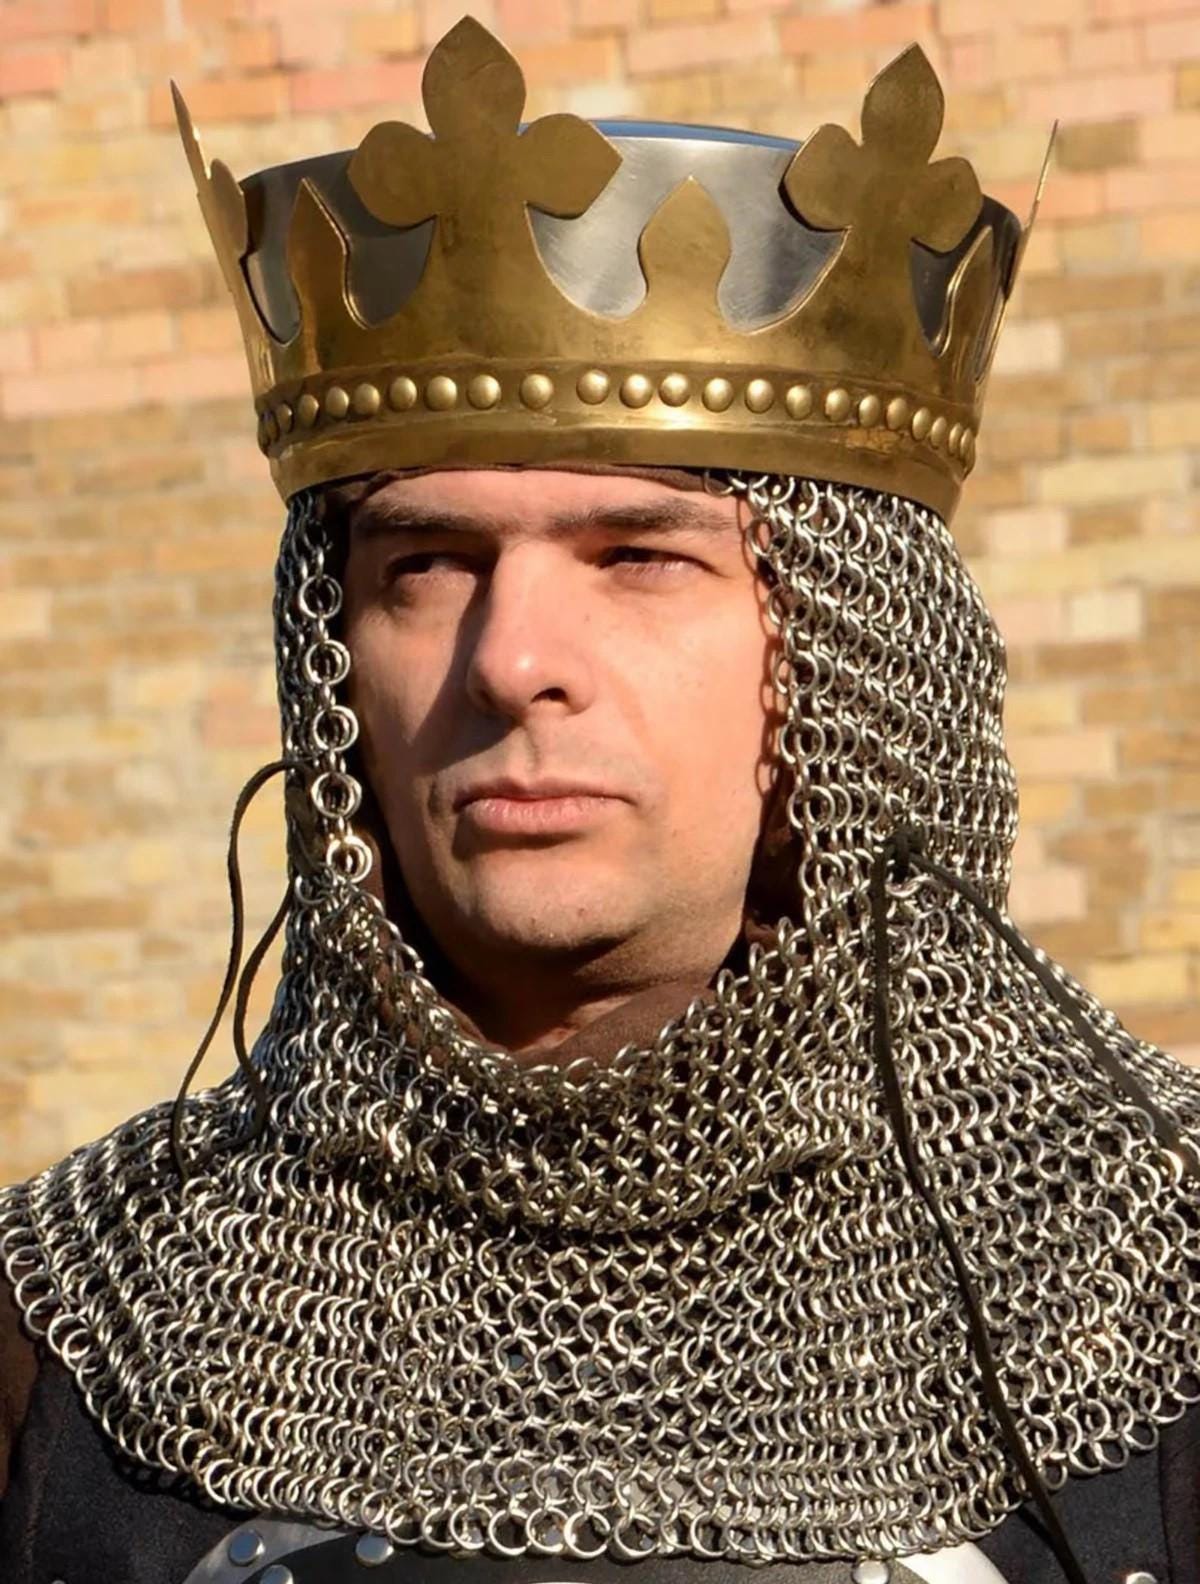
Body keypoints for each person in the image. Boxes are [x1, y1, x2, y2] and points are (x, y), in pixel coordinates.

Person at [1, 17, 1197, 1584]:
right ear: (329, 653)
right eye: (428, 567)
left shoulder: (1152, 1270)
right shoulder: (72, 1333)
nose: (513, 662)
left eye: (640, 556)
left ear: (853, 653)